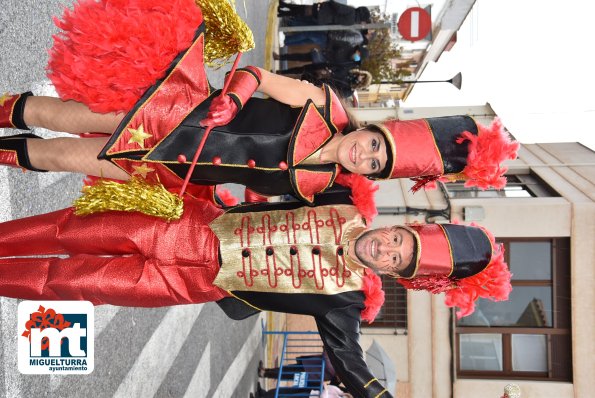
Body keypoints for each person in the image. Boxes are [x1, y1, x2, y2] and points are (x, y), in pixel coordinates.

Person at [0, 178, 512, 397]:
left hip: (184, 282)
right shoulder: (342, 197)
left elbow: (351, 364)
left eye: (398, 259)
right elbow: (293, 155)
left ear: (398, 274)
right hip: (187, 222)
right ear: (397, 226)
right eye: (397, 239)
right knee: (69, 228)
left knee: (65, 282)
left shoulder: (346, 301)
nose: (386, 249)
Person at [0, 0, 518, 206]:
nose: (365, 156)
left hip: (165, 170)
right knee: (48, 114)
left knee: (54, 157)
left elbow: (259, 205)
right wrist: (237, 97)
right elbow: (257, 73)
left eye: (376, 165)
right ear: (372, 130)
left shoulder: (319, 188)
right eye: (374, 145)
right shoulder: (324, 105)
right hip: (163, 111)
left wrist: (234, 206)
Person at [278, 0, 372, 26]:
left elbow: (339, 8)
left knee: (303, 9)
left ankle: (284, 7)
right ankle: (283, 11)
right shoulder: (352, 22)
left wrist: (331, 1)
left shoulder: (352, 11)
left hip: (324, 11)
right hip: (324, 19)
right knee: (302, 13)